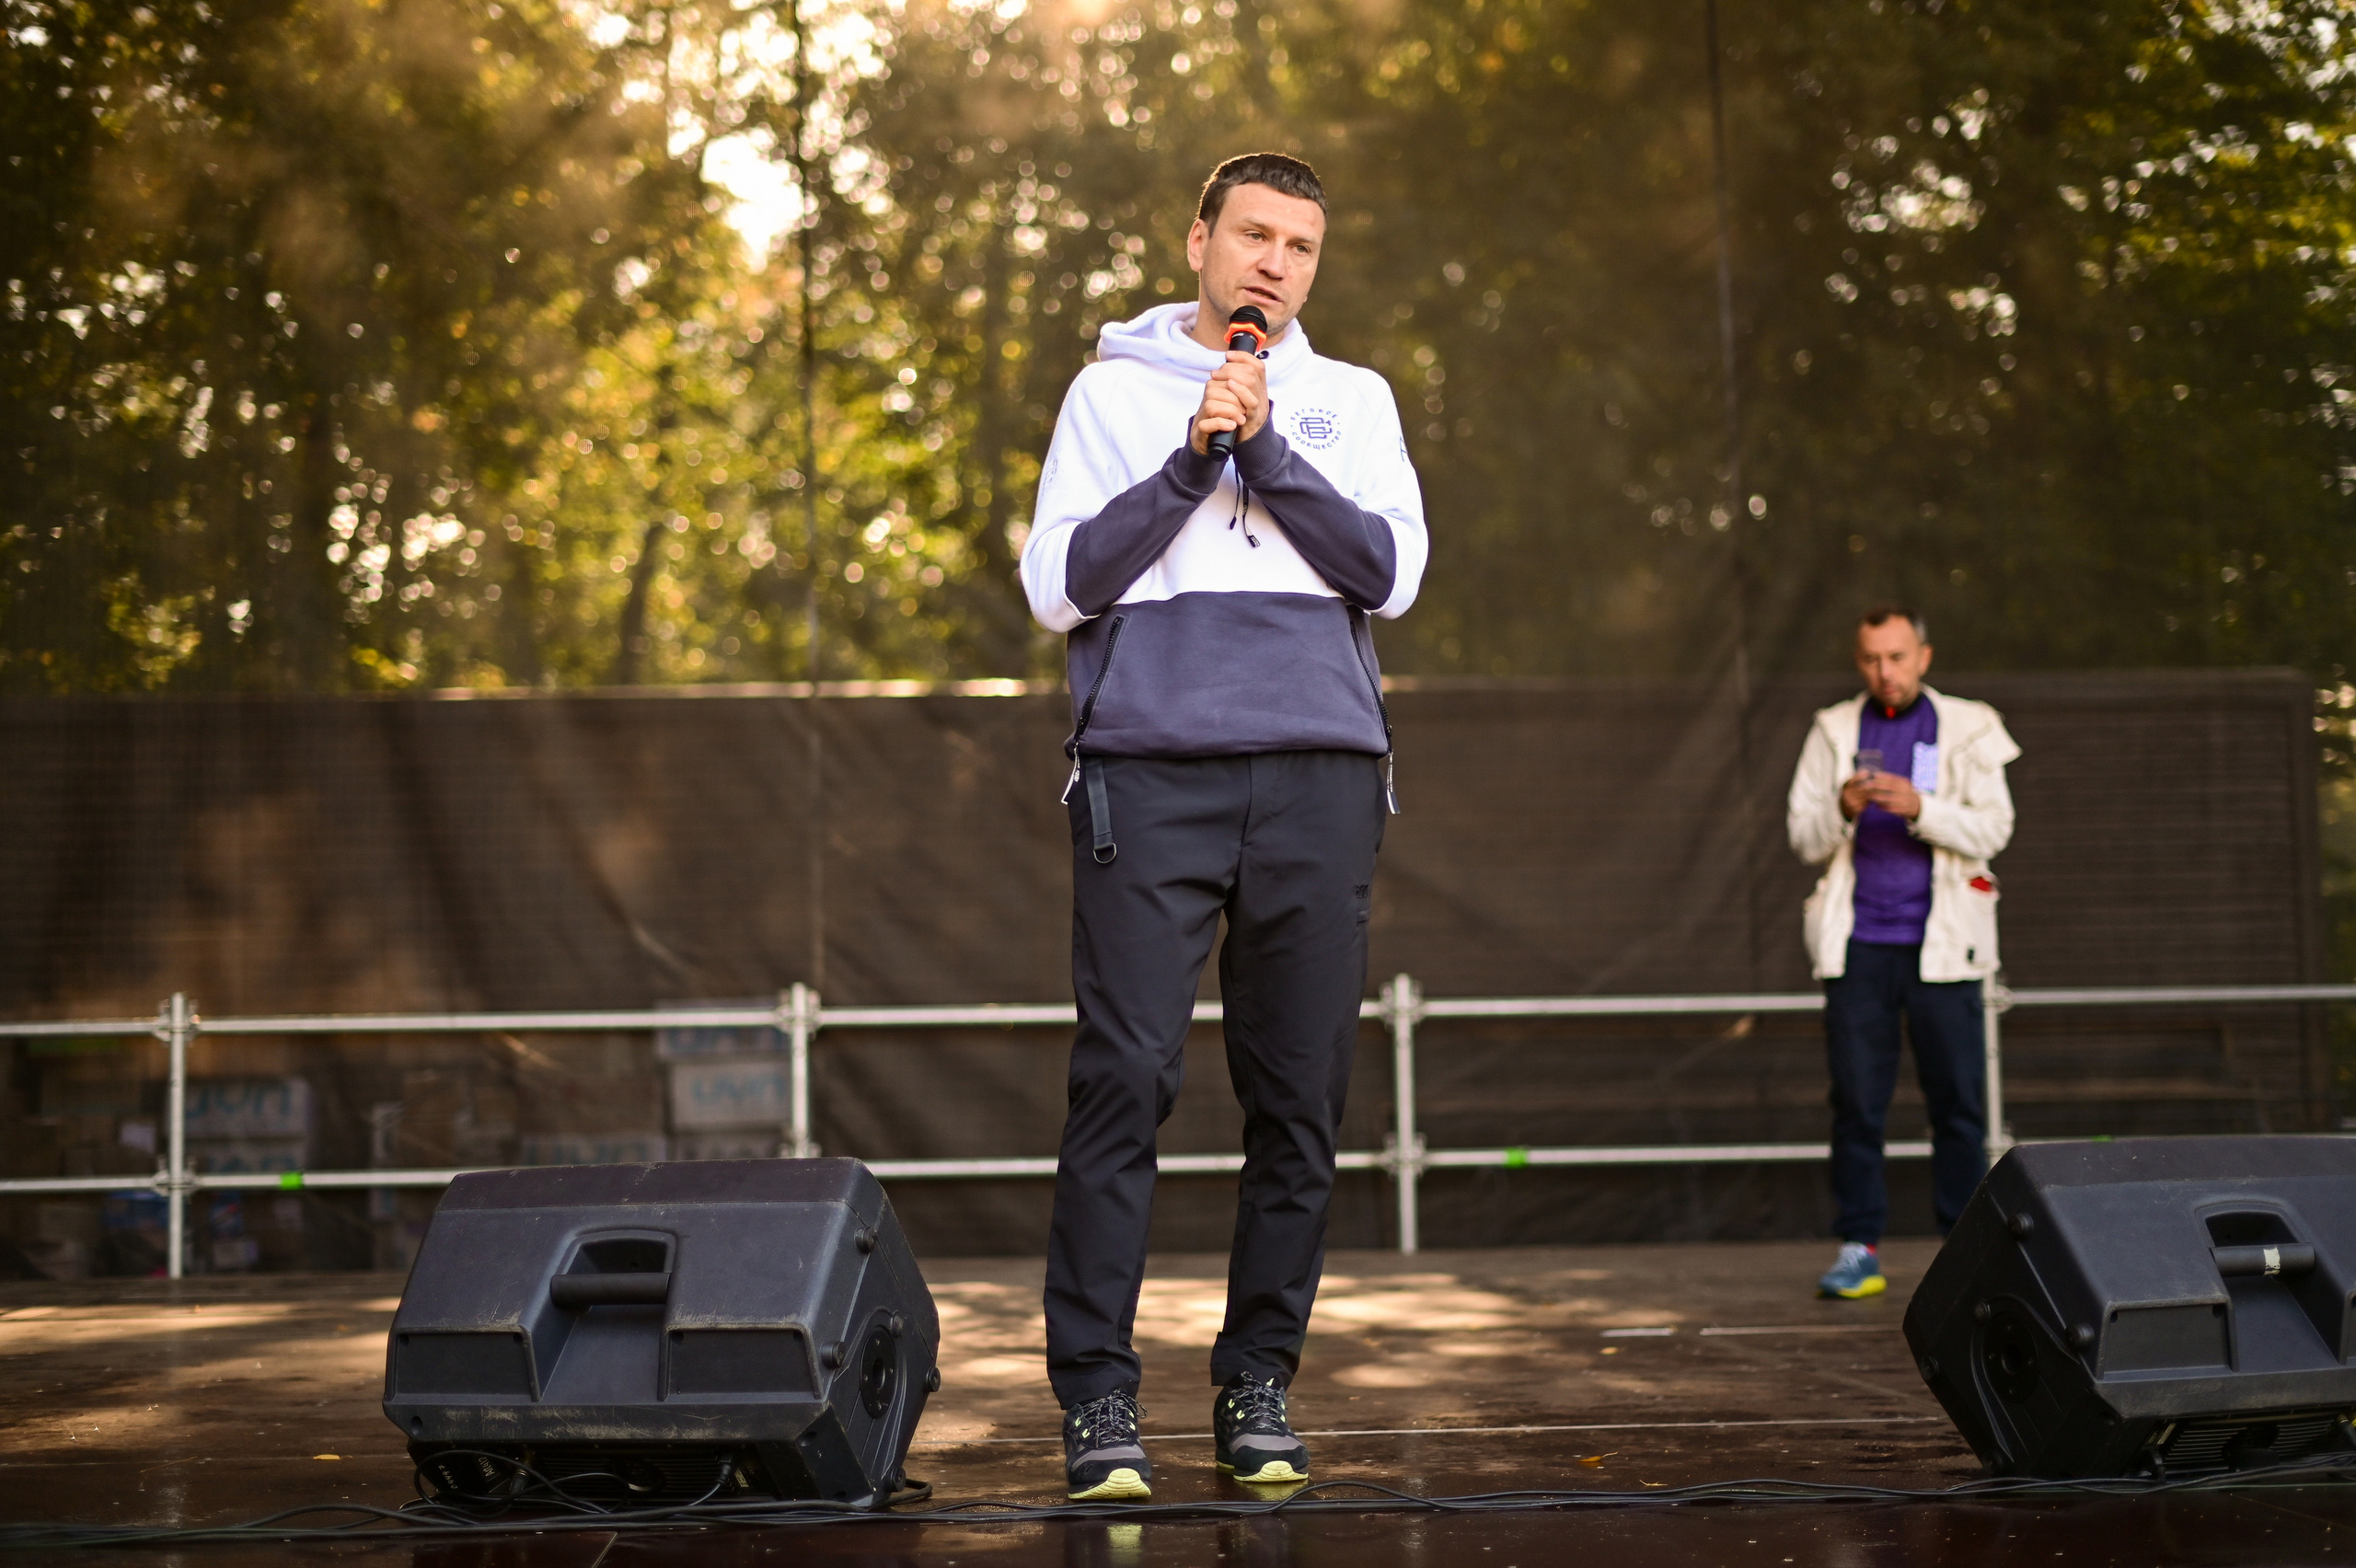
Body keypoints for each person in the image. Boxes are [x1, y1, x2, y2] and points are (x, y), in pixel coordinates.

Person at [1018, 153, 1426, 1500]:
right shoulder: (1109, 393)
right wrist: (1193, 462)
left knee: (1300, 1102)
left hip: (1318, 779)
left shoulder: (1348, 399)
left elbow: (1388, 572)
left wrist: (1265, 447)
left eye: (1300, 247)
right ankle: (1099, 1400)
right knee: (1122, 1085)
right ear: (1198, 239)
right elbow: (1060, 586)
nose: (1274, 264)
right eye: (1253, 234)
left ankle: (1258, 1384)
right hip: (1151, 777)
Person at [1785, 605, 2019, 1300]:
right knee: (1857, 1101)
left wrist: (1922, 808)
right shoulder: (1833, 729)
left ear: (1923, 656)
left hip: (1945, 948)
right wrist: (1845, 808)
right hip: (1859, 947)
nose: (1884, 673)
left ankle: (1964, 1252)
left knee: (1959, 1105)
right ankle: (1859, 1249)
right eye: (1870, 660)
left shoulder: (1970, 725)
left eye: (1896, 657)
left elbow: (1995, 829)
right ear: (1858, 663)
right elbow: (1802, 837)